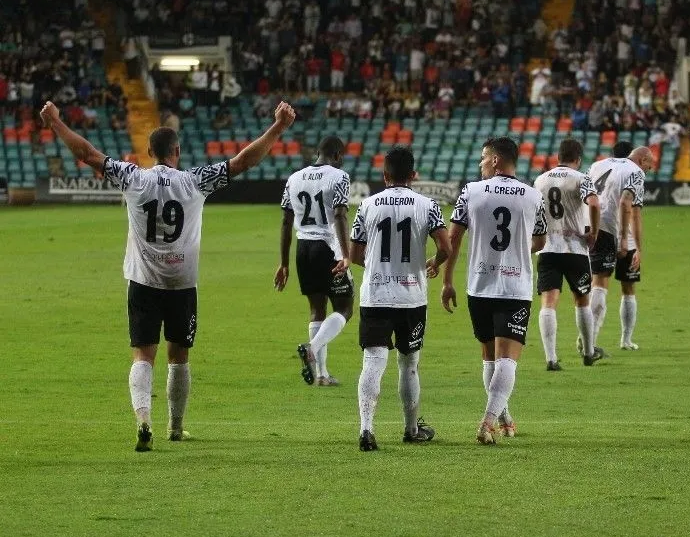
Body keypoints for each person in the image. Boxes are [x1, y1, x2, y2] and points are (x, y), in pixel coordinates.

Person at [40, 99, 297, 452]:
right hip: (181, 284)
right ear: (177, 150)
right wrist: (279, 127)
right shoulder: (195, 181)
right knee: (179, 356)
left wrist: (55, 122)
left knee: (143, 355)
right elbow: (243, 161)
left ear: (148, 151)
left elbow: (86, 152)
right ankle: (175, 428)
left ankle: (143, 419)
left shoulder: (133, 177)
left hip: (143, 282)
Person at [441, 137, 547, 445]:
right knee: (507, 360)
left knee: (489, 357)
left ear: (496, 161)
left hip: (479, 285)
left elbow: (453, 238)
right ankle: (488, 421)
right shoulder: (532, 196)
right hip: (515, 286)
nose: (481, 164)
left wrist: (447, 282)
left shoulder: (470, 192)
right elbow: (540, 242)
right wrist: (518, 247)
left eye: (483, 159)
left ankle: (504, 418)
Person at [348, 147, 451, 451]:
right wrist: (434, 262)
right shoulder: (428, 205)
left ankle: (367, 429)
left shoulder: (366, 205)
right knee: (409, 364)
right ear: (414, 176)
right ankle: (410, 429)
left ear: (385, 175)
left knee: (373, 361)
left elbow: (354, 253)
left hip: (375, 294)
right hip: (411, 297)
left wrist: (378, 267)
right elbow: (445, 246)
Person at [275, 137, 353, 387]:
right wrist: (345, 254)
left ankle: (321, 374)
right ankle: (312, 348)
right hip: (327, 248)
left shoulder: (294, 178)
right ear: (338, 155)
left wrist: (284, 263)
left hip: (303, 249)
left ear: (318, 152)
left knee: (316, 309)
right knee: (345, 307)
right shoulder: (339, 177)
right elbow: (340, 215)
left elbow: (286, 222)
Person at [532, 138, 602, 370]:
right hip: (574, 248)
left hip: (548, 247)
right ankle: (589, 352)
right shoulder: (581, 178)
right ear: (578, 159)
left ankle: (551, 358)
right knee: (582, 300)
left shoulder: (540, 180)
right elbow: (593, 203)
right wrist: (593, 231)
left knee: (548, 302)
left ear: (557, 157)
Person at [586, 143, 655, 352]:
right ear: (642, 160)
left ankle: (590, 341)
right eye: (650, 164)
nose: (650, 169)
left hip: (596, 227)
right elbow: (630, 208)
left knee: (598, 283)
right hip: (620, 231)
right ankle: (625, 340)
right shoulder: (636, 173)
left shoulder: (596, 165)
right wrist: (630, 242)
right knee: (628, 286)